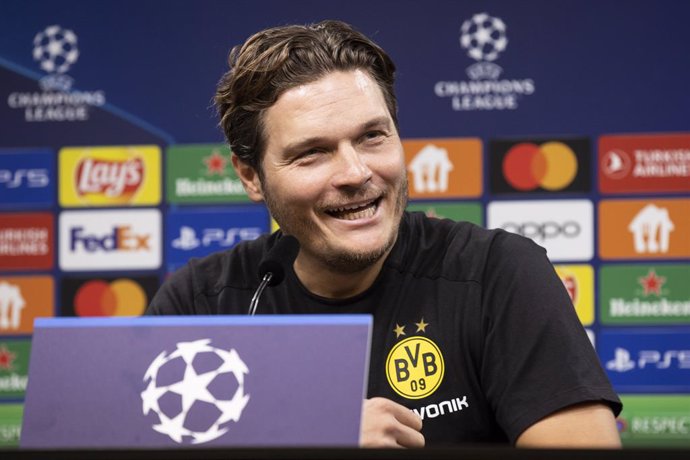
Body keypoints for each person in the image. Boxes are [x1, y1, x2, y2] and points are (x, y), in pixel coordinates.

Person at [147, 20, 622, 448]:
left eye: (373, 136)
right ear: (251, 176)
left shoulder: (496, 274)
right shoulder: (198, 306)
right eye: (312, 152)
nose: (355, 172)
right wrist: (316, 437)